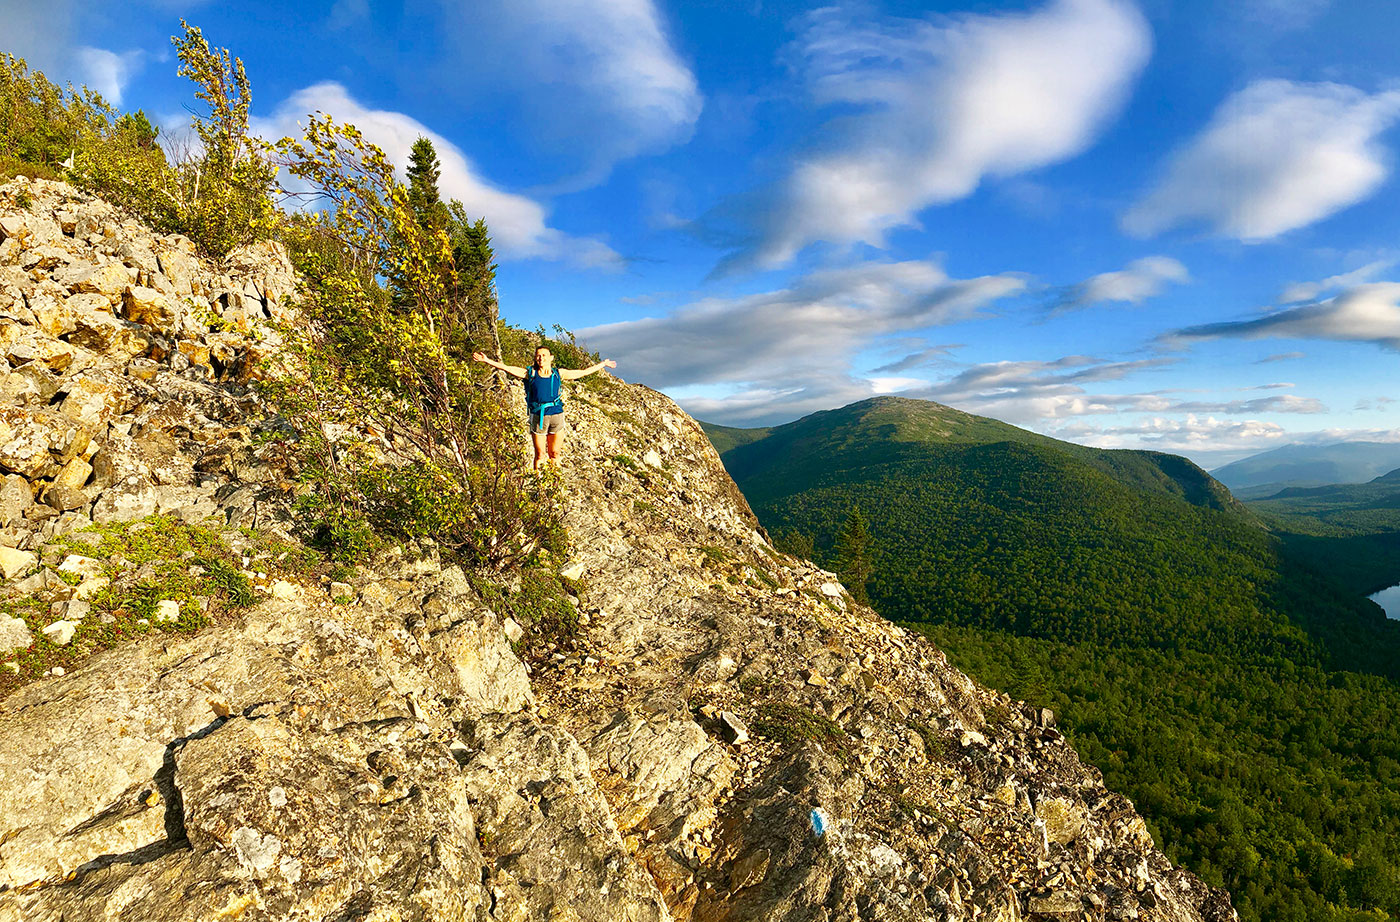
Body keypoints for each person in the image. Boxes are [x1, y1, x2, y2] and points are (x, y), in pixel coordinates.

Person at [472, 346, 617, 470]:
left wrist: (603, 364)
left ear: (551, 358)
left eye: (544, 355)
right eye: (538, 356)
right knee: (540, 454)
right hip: (538, 416)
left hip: (556, 416)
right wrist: (487, 360)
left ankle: (554, 486)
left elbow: (583, 372)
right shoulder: (530, 373)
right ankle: (540, 487)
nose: (541, 358)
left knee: (555, 453)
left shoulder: (558, 374)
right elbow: (507, 368)